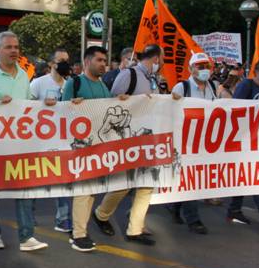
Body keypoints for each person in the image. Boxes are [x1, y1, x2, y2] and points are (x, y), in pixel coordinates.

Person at [0, 32, 50, 252]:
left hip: (19, 142)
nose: (14, 51)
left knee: (24, 188)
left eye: (16, 47)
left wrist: (44, 105)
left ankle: (26, 236)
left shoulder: (24, 76)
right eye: (9, 47)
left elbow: (27, 105)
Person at [84, 44, 161, 246]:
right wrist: (122, 100)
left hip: (146, 136)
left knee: (146, 184)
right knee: (124, 183)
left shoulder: (151, 79)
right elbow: (111, 103)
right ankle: (101, 214)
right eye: (160, 60)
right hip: (127, 138)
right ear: (156, 59)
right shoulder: (129, 74)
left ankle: (135, 230)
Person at [60, 46, 129, 251]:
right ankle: (79, 234)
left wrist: (120, 101)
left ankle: (100, 215)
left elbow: (108, 110)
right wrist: (72, 105)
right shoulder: (74, 83)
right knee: (85, 189)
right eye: (99, 60)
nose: (103, 65)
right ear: (87, 61)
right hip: (82, 146)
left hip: (103, 145)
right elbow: (62, 114)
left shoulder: (103, 86)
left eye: (104, 61)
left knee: (123, 182)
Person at [169, 52, 219, 234]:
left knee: (193, 177)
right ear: (191, 69)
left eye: (207, 66)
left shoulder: (213, 86)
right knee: (191, 178)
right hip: (185, 140)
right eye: (200, 66)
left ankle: (174, 207)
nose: (204, 69)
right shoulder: (182, 87)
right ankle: (193, 219)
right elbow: (170, 111)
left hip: (204, 140)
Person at [227, 58, 259, 228]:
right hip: (245, 139)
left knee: (246, 175)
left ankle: (234, 210)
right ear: (256, 72)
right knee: (256, 176)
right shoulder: (246, 85)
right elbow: (235, 108)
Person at [30, 48, 73, 232]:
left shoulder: (71, 84)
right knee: (35, 178)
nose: (65, 64)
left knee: (62, 179)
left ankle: (62, 218)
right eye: (61, 60)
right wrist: (42, 105)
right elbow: (25, 107)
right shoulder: (38, 83)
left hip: (62, 139)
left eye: (67, 60)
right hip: (40, 140)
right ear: (51, 64)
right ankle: (28, 215)